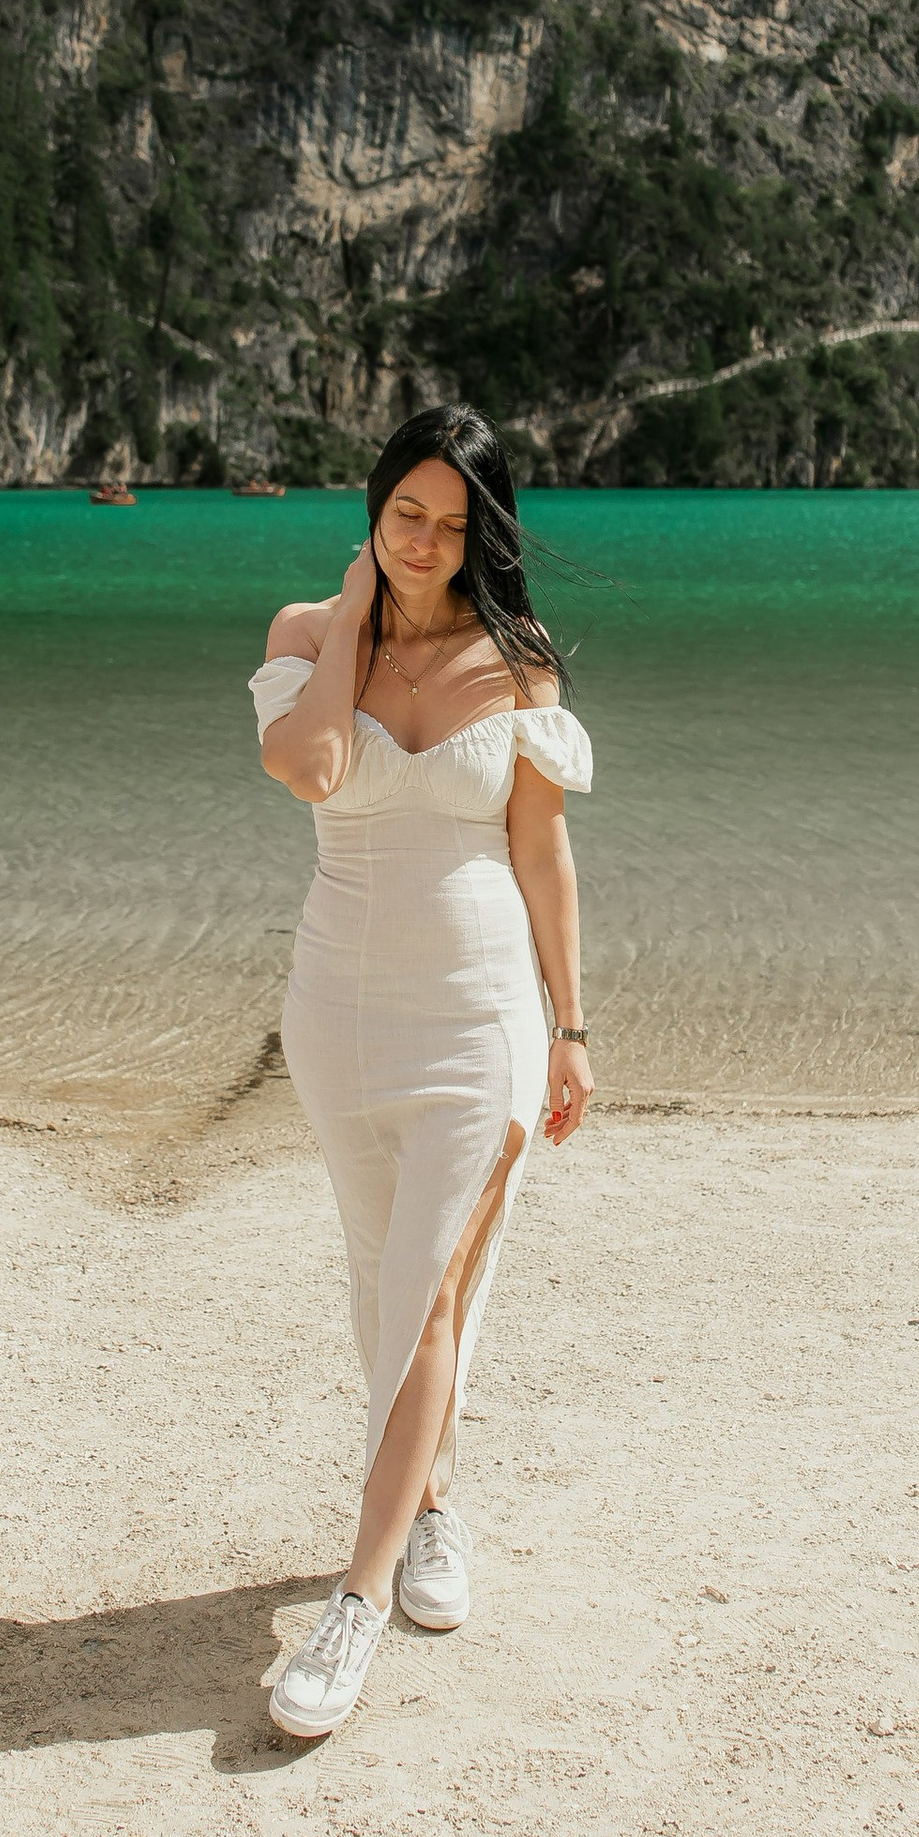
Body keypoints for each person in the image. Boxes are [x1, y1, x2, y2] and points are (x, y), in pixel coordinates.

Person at [249, 405, 594, 1740]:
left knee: (430, 1285)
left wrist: (571, 1027)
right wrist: (351, 612)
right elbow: (313, 765)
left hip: (480, 1017)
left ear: (481, 534)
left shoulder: (520, 662)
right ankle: (435, 1501)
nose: (427, 544)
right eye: (408, 514)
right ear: (375, 505)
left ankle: (358, 1598)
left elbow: (542, 853)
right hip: (337, 1014)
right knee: (381, 1278)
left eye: (455, 526)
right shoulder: (304, 637)